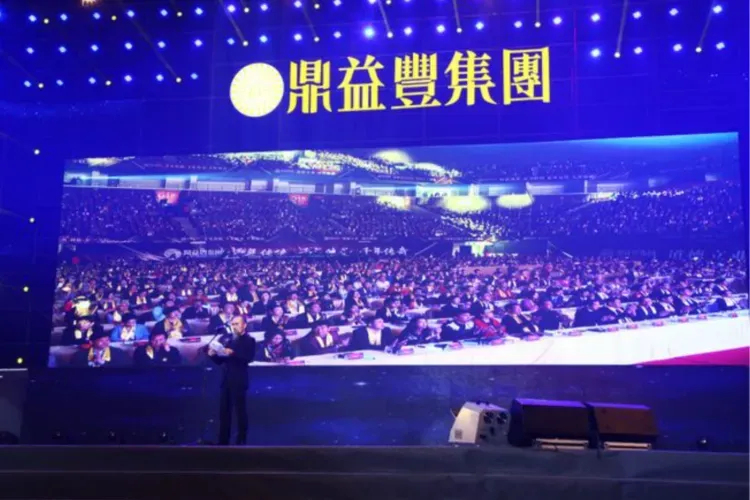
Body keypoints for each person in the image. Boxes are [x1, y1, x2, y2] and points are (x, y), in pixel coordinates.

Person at [208, 314, 256, 446]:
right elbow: (221, 361)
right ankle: (223, 440)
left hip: (239, 379)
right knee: (224, 411)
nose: (234, 326)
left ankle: (242, 438)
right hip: (226, 378)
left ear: (244, 325)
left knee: (240, 410)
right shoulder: (228, 339)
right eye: (233, 324)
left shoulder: (249, 340)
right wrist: (213, 355)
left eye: (237, 324)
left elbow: (248, 358)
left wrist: (233, 353)